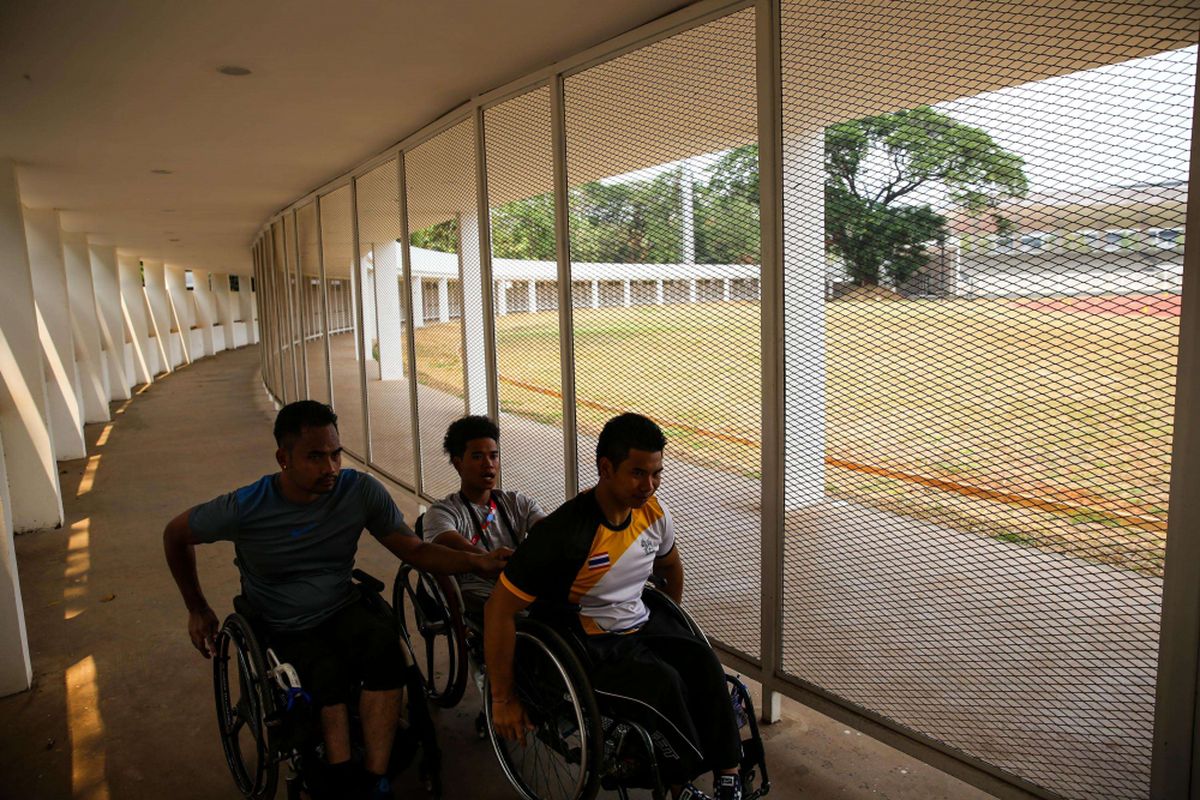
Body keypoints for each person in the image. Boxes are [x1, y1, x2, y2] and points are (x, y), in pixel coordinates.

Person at [164, 400, 510, 800]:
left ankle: (374, 778)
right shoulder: (247, 506)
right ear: (283, 458)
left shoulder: (358, 491)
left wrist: (476, 562)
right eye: (315, 457)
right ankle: (340, 777)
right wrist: (197, 607)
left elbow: (414, 550)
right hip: (280, 620)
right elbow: (175, 535)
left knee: (386, 654)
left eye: (335, 454)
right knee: (324, 674)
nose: (330, 467)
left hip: (340, 605)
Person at [484, 413, 743, 800]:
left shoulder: (654, 513)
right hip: (585, 640)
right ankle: (680, 785)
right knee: (664, 683)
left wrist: (667, 622)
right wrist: (503, 699)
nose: (650, 485)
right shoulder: (564, 534)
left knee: (704, 664)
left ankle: (729, 774)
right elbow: (498, 610)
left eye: (657, 474)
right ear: (605, 468)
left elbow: (671, 567)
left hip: (640, 622)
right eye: (638, 473)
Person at [421, 415, 545, 616]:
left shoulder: (517, 502)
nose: (489, 464)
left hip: (517, 586)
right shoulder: (442, 512)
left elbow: (547, 531)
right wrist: (488, 560)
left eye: (494, 456)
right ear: (458, 463)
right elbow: (455, 546)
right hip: (475, 594)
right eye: (477, 457)